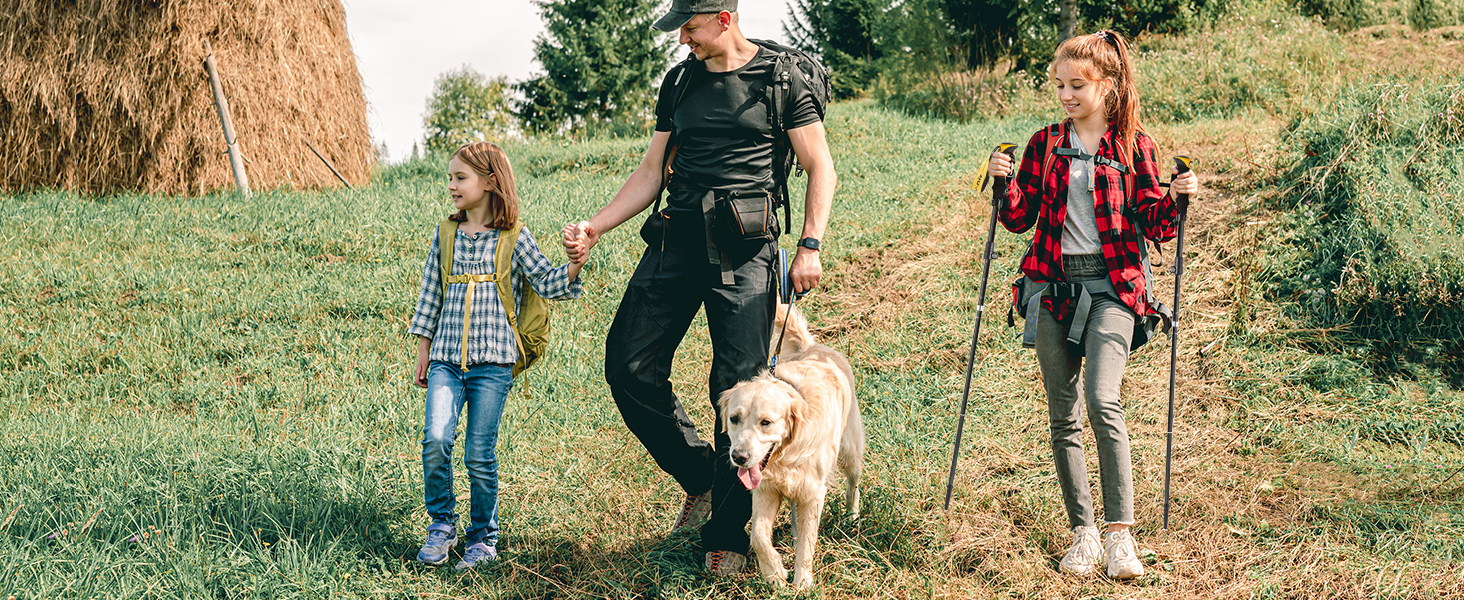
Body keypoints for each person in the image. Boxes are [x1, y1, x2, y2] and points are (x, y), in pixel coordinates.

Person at [560, 0, 836, 576]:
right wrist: (597, 226)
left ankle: (728, 536)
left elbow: (820, 166)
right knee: (628, 364)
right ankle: (700, 474)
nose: (683, 39)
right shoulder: (680, 80)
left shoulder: (780, 80)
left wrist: (809, 245)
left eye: (690, 27)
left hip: (746, 252)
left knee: (736, 387)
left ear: (724, 18)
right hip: (676, 242)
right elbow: (652, 170)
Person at [985, 30, 1198, 579]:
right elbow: (1018, 218)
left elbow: (1157, 226)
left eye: (1077, 85)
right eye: (1059, 85)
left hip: (1115, 288)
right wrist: (1001, 183)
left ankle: (1121, 537)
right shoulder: (1044, 144)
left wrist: (1176, 198)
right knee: (1063, 412)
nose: (1065, 95)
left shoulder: (1135, 147)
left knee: (1103, 401)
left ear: (1109, 84)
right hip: (1052, 286)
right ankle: (1083, 534)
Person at [407, 142, 585, 570]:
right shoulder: (445, 234)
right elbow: (432, 293)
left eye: (460, 177)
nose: (451, 185)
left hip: (493, 365)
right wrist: (423, 351)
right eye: (450, 177)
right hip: (447, 360)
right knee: (435, 440)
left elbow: (546, 281)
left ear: (489, 182)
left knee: (478, 453)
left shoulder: (513, 236)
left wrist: (575, 263)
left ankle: (483, 538)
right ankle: (441, 526)